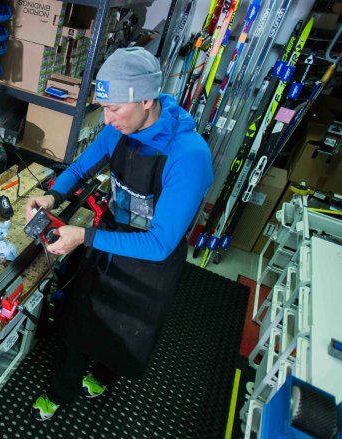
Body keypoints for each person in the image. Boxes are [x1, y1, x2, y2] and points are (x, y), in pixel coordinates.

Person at [25, 47, 213, 421]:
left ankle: (104, 374)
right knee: (78, 321)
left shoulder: (188, 155)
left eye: (114, 108)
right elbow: (80, 168)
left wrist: (83, 237)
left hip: (151, 262)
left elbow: (160, 243)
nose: (107, 119)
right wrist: (51, 195)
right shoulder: (118, 130)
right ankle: (60, 391)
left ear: (146, 99)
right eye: (103, 107)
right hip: (109, 239)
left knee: (125, 331)